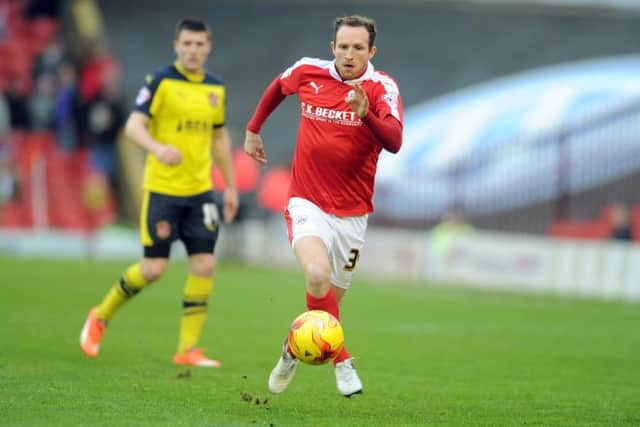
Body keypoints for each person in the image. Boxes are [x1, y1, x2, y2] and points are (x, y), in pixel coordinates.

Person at [244, 15, 403, 397]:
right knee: (316, 276)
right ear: (333, 47)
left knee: (327, 309)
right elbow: (277, 90)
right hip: (307, 201)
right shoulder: (308, 71)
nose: (350, 54)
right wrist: (253, 129)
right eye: (343, 46)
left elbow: (395, 141)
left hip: (352, 214)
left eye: (358, 48)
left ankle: (290, 351)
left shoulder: (381, 89)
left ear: (371, 51)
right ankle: (343, 362)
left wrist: (366, 115)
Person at [80, 17, 239, 367]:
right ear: (176, 46)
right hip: (163, 190)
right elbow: (133, 126)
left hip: (200, 191)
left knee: (205, 263)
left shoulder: (216, 87)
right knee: (153, 269)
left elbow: (220, 138)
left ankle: (187, 349)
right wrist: (157, 148)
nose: (193, 50)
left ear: (208, 47)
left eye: (200, 45)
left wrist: (229, 185)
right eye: (187, 44)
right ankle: (101, 315)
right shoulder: (160, 81)